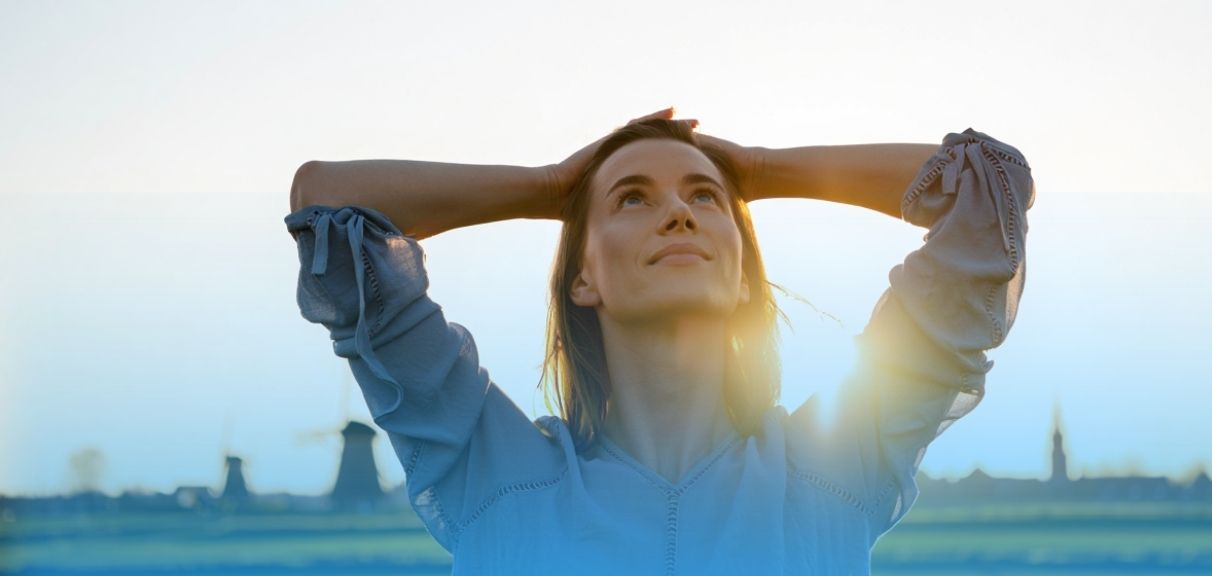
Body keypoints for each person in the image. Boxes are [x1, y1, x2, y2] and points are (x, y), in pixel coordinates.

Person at [283, 107, 1035, 575]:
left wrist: (761, 170)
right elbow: (326, 200)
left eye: (704, 198)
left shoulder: (842, 457)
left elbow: (993, 189)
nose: (677, 213)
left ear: (745, 275)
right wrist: (552, 185)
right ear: (584, 277)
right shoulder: (490, 467)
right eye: (633, 198)